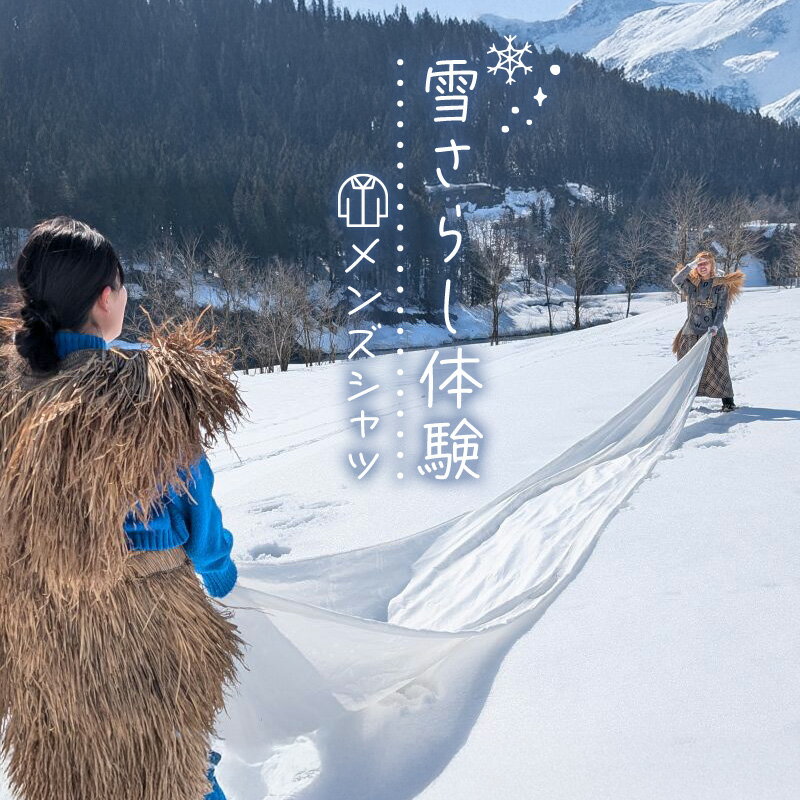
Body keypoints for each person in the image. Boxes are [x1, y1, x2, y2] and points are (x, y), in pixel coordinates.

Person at [0, 217, 248, 800]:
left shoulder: (10, 397)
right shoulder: (148, 395)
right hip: (147, 630)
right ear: (106, 297)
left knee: (67, 770)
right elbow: (198, 511)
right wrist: (219, 570)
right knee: (173, 766)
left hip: (39, 636)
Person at [671, 249, 745, 412]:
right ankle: (683, 400)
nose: (702, 266)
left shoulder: (720, 285)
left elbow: (721, 310)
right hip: (690, 331)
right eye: (699, 264)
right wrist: (689, 266)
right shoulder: (692, 285)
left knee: (718, 365)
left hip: (712, 332)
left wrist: (715, 327)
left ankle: (728, 402)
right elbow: (676, 280)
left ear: (712, 265)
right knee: (686, 365)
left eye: (706, 263)